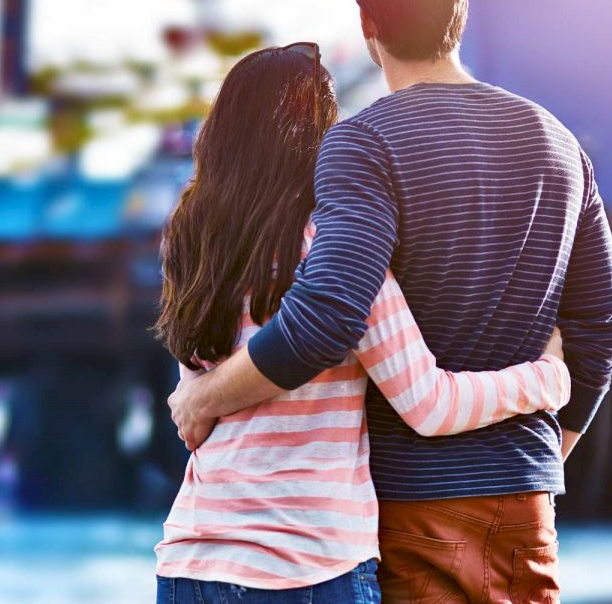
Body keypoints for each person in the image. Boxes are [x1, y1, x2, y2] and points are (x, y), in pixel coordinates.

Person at [168, 0, 612, 602]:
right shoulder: (559, 145)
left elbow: (326, 315)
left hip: (407, 507)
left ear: (366, 22)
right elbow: (604, 329)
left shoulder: (362, 145)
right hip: (526, 502)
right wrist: (535, 456)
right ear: (461, 9)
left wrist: (204, 395)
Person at [153, 42, 572, 602]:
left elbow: (194, 418)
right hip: (309, 567)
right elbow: (430, 404)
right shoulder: (338, 251)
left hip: (189, 563)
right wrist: (549, 378)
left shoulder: (192, 245)